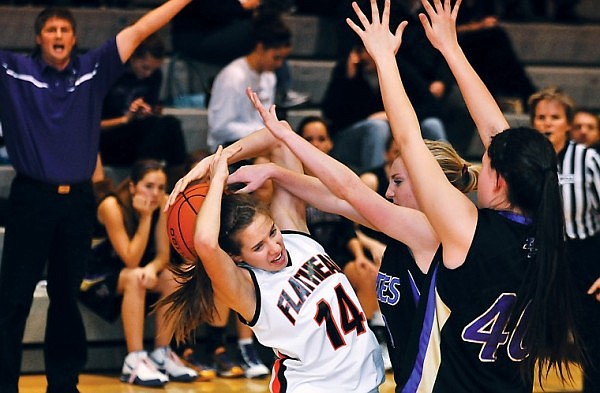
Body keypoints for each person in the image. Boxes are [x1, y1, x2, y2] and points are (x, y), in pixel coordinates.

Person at [339, 0, 580, 391]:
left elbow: (409, 140)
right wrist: (450, 47)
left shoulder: (469, 232)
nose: (477, 167)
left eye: (485, 164)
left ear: (500, 180)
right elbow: (500, 137)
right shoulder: (546, 225)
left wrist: (384, 59)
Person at [0, 2, 192, 392]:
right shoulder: (13, 70)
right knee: (13, 301)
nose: (58, 35)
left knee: (66, 298)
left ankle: (64, 385)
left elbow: (140, 30)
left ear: (74, 38)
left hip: (77, 204)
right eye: (50, 30)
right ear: (38, 38)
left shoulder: (92, 69)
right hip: (31, 200)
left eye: (64, 30)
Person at [228, 104, 478, 388]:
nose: (388, 191)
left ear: (429, 184)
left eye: (397, 181)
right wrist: (273, 171)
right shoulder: (406, 228)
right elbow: (338, 200)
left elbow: (349, 189)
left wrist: (279, 159)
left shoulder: (429, 232)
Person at [162, 123, 385, 392]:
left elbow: (278, 136)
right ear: (235, 256)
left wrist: (218, 159)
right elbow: (206, 243)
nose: (275, 247)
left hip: (366, 383)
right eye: (258, 247)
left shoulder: (295, 237)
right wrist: (216, 182)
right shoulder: (247, 290)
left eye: (272, 231)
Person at [80, 160, 198, 387]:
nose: (155, 193)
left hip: (134, 268)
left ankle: (161, 353)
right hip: (94, 274)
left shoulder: (163, 204)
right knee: (135, 277)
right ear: (132, 186)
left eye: (161, 187)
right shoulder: (111, 206)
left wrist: (152, 269)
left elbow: (163, 255)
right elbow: (130, 258)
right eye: (149, 186)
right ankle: (134, 359)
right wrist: (145, 218)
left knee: (173, 278)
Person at [296, 116, 391, 371]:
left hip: (336, 255)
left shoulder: (339, 178)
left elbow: (349, 229)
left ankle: (368, 337)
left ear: (330, 144)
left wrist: (359, 255)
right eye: (308, 139)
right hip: (305, 261)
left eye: (321, 138)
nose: (315, 144)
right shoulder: (290, 180)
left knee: (367, 272)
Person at [528, 86, 600, 393]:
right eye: (541, 117)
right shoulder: (527, 162)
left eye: (554, 117)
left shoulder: (588, 160)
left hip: (585, 256)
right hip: (541, 254)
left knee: (592, 338)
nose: (546, 123)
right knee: (529, 334)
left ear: (568, 124)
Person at [321, 41, 446, 174]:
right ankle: (377, 182)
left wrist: (394, 116)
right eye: (362, 51)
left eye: (368, 52)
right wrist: (348, 80)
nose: (364, 57)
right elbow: (330, 113)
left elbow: (433, 106)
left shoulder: (400, 68)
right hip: (351, 135)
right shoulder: (347, 71)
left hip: (394, 130)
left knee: (433, 124)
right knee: (377, 126)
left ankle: (448, 176)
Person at [99, 34, 187, 187]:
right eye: (145, 67)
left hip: (136, 139)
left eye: (153, 69)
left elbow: (149, 111)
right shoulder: (109, 73)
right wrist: (125, 119)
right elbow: (91, 126)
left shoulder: (154, 76)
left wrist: (145, 112)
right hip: (107, 139)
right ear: (132, 57)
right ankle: (141, 181)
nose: (148, 74)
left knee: (170, 124)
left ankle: (178, 188)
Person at [207, 13, 295, 152]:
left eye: (283, 59)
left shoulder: (269, 77)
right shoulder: (233, 76)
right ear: (260, 48)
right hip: (228, 146)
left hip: (259, 141)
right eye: (276, 57)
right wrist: (263, 132)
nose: (279, 64)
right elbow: (220, 128)